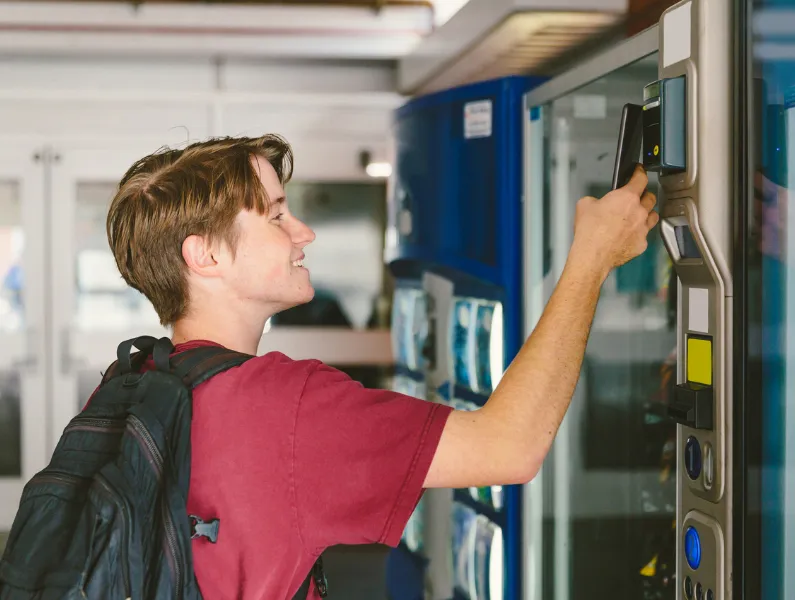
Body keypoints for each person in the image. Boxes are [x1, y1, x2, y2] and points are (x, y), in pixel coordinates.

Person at [103, 134, 658, 599]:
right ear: (206, 256)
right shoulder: (286, 407)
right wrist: (593, 257)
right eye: (276, 216)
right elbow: (510, 446)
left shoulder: (127, 386)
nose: (304, 232)